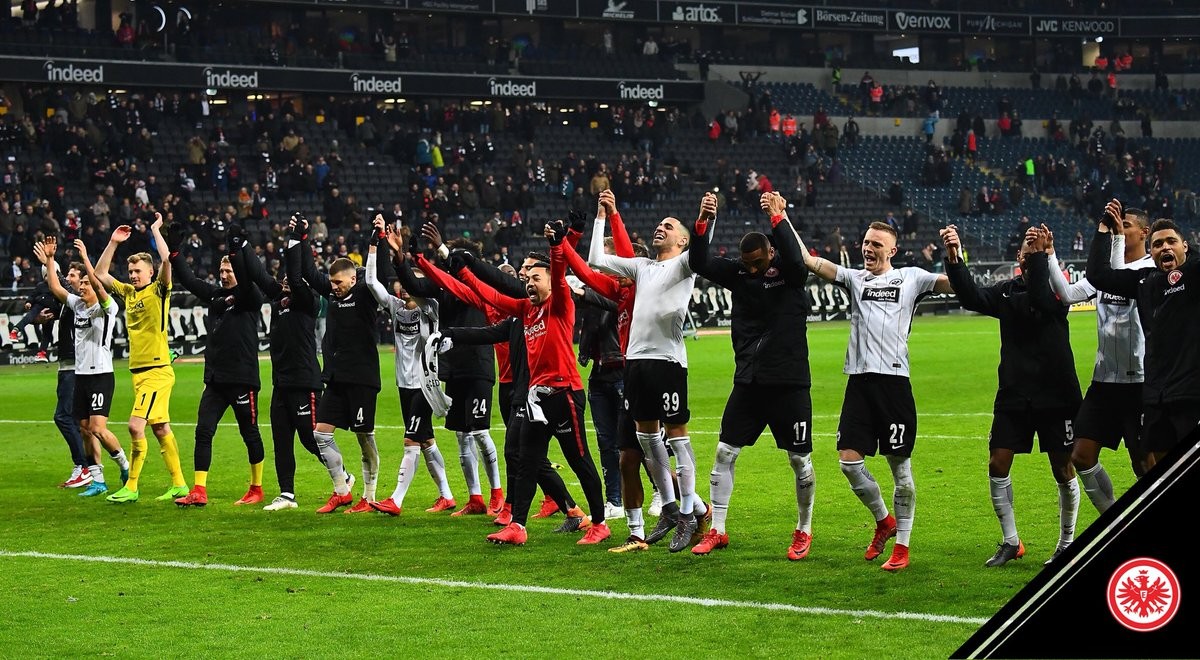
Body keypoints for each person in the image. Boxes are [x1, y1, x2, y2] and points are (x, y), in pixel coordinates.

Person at [798, 221, 954, 571]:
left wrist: (954, 253)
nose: (868, 249)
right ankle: (884, 520)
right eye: (866, 242)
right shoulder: (855, 279)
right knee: (848, 463)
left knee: (900, 470)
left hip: (894, 385)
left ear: (892, 251)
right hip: (859, 384)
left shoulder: (912, 278)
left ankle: (903, 546)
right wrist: (781, 218)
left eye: (876, 244)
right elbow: (810, 261)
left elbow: (955, 283)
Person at [444, 220, 611, 546]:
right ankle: (518, 526)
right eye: (528, 279)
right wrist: (464, 273)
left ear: (550, 281)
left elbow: (559, 273)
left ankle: (600, 523)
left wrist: (556, 245)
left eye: (536, 278)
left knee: (579, 460)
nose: (530, 283)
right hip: (537, 398)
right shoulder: (524, 310)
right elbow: (493, 296)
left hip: (565, 393)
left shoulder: (560, 303)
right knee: (526, 459)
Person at [409, 242, 584, 530]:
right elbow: (462, 289)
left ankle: (534, 510)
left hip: (534, 386)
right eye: (523, 269)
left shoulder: (530, 303)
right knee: (523, 452)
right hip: (507, 384)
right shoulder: (504, 308)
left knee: (523, 451)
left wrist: (454, 257)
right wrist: (424, 261)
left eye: (529, 269)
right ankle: (562, 506)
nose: (524, 273)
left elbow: (495, 281)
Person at [943, 224, 1082, 567]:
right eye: (1024, 250)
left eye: (1033, 250)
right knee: (997, 462)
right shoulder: (1006, 291)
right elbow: (971, 297)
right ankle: (1010, 541)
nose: (1027, 254)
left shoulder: (1059, 291)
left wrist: (1041, 257)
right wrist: (955, 258)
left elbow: (1040, 299)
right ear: (1017, 256)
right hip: (1014, 394)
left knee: (1062, 467)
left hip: (1056, 395)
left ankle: (1067, 543)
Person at [687, 191, 816, 559]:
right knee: (724, 452)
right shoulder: (740, 273)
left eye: (758, 263)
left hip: (789, 382)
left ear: (771, 253)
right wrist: (703, 221)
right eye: (748, 264)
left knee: (799, 460)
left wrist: (778, 218)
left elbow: (798, 262)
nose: (753, 270)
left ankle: (803, 529)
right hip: (749, 381)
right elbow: (699, 262)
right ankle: (718, 529)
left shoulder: (790, 273)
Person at [589, 191, 711, 553]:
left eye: (669, 226)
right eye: (659, 224)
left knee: (677, 438)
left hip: (668, 361)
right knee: (645, 440)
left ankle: (688, 513)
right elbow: (596, 259)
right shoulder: (641, 267)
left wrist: (705, 218)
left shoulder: (685, 263)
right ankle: (671, 508)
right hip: (636, 362)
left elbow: (702, 252)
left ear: (682, 240)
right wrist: (601, 216)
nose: (661, 227)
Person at [1043, 208, 1152, 515]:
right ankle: (1115, 520)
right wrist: (1050, 255)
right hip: (1104, 381)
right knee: (1081, 456)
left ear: (1144, 233)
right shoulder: (1103, 274)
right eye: (1118, 225)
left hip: (1139, 381)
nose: (1120, 229)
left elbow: (1118, 280)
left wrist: (1114, 238)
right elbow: (1067, 294)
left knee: (1143, 463)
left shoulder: (1150, 271)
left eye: (1126, 225)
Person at [393, 227, 504, 517]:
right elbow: (415, 286)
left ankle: (497, 493)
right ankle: (475, 497)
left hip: (478, 364)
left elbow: (463, 280)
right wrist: (400, 258)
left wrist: (442, 250)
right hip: (453, 367)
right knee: (461, 435)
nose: (450, 264)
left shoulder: (481, 283)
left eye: (455, 259)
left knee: (480, 432)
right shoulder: (445, 286)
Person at [1086, 200, 1200, 469]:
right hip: (1156, 395)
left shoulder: (1195, 274)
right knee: (1162, 467)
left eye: (1171, 242)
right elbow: (1098, 275)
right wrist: (1103, 229)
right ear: (1151, 251)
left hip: (1192, 395)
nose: (1165, 247)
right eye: (1158, 244)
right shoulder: (1144, 281)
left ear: (1185, 246)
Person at [231, 215, 328, 511]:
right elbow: (260, 275)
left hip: (305, 381)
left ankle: (343, 476)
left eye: (289, 277)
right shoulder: (279, 301)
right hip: (282, 383)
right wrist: (241, 244)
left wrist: (296, 239)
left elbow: (297, 278)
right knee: (282, 440)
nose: (285, 280)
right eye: (283, 277)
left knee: (311, 440)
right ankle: (287, 494)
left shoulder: (307, 300)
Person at [363, 216, 457, 516]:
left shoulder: (431, 309)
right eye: (402, 284)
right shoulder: (395, 307)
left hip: (424, 385)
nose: (404, 289)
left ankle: (396, 499)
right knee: (426, 440)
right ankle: (447, 496)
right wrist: (375, 243)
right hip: (404, 385)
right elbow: (370, 282)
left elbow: (418, 287)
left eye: (410, 284)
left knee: (410, 440)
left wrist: (404, 261)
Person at [169, 223, 267, 507]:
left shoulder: (250, 296)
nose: (223, 276)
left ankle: (256, 488)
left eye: (229, 271)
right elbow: (189, 280)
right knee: (203, 431)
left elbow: (248, 283)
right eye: (221, 271)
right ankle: (199, 490)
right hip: (215, 380)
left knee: (249, 432)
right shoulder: (214, 296)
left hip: (242, 379)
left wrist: (236, 252)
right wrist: (175, 252)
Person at [293, 218, 386, 513]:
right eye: (331, 283)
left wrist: (378, 239)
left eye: (338, 283)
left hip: (362, 378)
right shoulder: (333, 294)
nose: (333, 288)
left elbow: (379, 273)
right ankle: (342, 491)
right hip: (335, 378)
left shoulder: (366, 293)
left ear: (353, 280)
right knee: (320, 434)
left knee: (364, 437)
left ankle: (369, 497)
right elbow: (309, 273)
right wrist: (303, 238)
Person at [94, 217, 190, 503]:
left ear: (151, 272)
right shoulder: (128, 293)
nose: (133, 275)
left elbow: (167, 260)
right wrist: (113, 242)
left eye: (138, 271)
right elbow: (100, 273)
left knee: (135, 426)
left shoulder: (159, 290)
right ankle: (179, 484)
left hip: (156, 372)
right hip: (140, 373)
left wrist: (155, 231)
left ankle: (132, 486)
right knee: (160, 428)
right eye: (130, 271)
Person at [33, 237, 129, 497]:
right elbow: (55, 287)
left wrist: (86, 258)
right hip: (81, 376)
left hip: (101, 375)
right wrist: (50, 260)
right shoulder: (77, 306)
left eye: (87, 283)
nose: (83, 286)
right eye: (82, 283)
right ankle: (98, 481)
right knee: (85, 430)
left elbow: (98, 283)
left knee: (97, 428)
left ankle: (124, 465)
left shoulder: (107, 308)